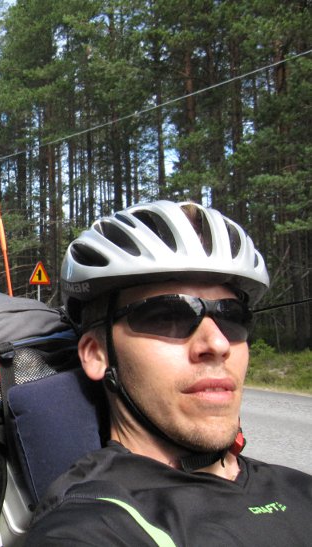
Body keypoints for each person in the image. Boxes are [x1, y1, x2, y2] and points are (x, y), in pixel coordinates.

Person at [25, 200, 312, 545]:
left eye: (231, 317)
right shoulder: (91, 525)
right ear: (97, 354)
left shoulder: (298, 487)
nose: (217, 343)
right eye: (168, 317)